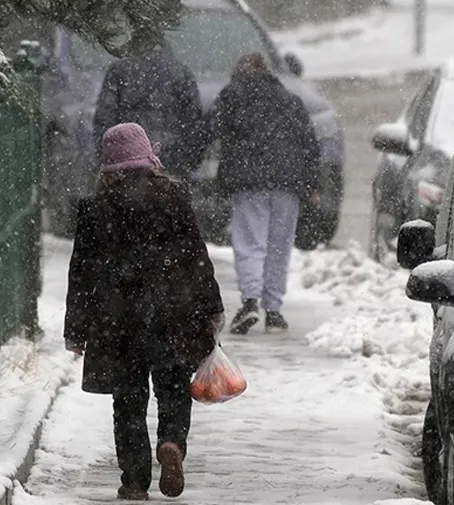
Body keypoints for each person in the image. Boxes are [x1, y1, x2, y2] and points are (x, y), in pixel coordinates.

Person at [63, 123, 225, 501]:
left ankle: (134, 480)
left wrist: (76, 327)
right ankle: (171, 442)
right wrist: (211, 306)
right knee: (172, 388)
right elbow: (196, 258)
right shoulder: (174, 197)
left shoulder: (95, 208)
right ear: (148, 156)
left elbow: (81, 272)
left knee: (128, 400)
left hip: (118, 320)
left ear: (108, 164)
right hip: (173, 313)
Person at [204, 53, 321, 335]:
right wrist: (313, 183)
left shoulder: (233, 95)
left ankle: (250, 302)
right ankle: (275, 311)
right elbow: (309, 143)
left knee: (250, 243)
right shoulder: (290, 99)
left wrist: (187, 160)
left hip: (249, 181)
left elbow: (208, 129)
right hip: (288, 183)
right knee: (279, 247)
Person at [93, 34, 204, 178]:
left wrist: (105, 157)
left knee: (130, 197)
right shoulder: (182, 72)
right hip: (171, 158)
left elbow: (105, 116)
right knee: (167, 197)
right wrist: (190, 159)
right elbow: (194, 120)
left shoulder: (119, 70)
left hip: (128, 159)